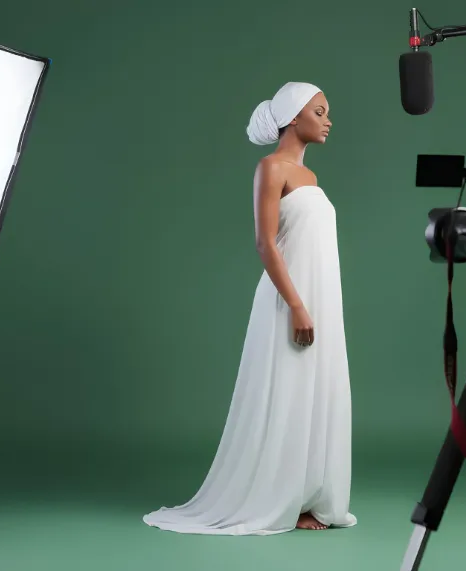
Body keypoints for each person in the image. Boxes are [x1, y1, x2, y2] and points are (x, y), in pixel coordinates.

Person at [142, 82, 357, 535]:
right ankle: (277, 500)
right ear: (293, 117)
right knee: (286, 394)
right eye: (319, 111)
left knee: (314, 393)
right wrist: (297, 305)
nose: (328, 119)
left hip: (320, 300)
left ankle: (303, 498)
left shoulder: (312, 180)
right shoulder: (270, 168)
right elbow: (265, 244)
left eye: (327, 112)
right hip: (288, 301)